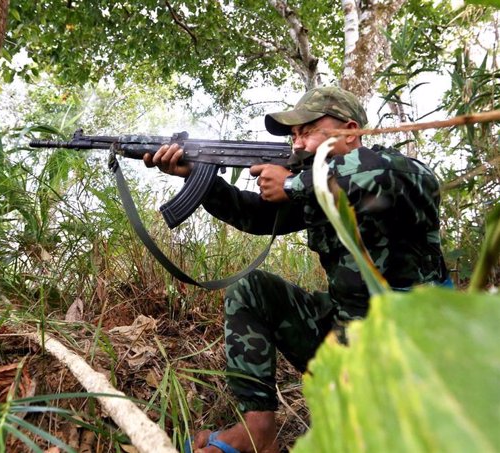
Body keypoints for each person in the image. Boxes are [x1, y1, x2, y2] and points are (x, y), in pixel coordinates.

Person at [143, 86, 449, 453]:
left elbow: (388, 174)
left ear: (350, 131)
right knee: (251, 289)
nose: (298, 144)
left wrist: (292, 182)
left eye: (308, 131)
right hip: (345, 334)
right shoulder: (316, 193)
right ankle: (257, 432)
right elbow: (257, 215)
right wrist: (198, 179)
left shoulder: (395, 173)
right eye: (294, 135)